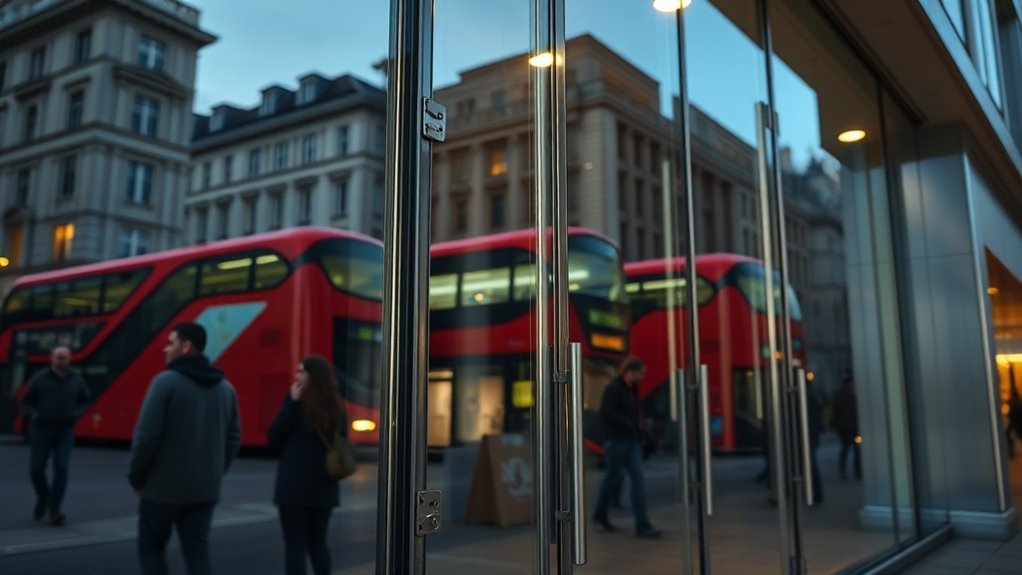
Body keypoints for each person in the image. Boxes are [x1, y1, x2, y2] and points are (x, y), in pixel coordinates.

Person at [128, 322, 241, 575]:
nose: (165, 349)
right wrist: (213, 472)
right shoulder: (226, 388)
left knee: (152, 549)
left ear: (186, 346)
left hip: (161, 491)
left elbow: (146, 437)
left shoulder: (165, 382)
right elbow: (234, 439)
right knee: (197, 553)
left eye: (171, 343)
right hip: (205, 490)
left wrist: (137, 478)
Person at [268, 355, 347, 575]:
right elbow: (342, 441)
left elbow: (274, 436)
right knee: (318, 544)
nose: (296, 375)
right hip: (324, 487)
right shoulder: (336, 405)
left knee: (295, 547)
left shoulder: (296, 401)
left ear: (312, 376)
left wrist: (292, 404)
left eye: (300, 371)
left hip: (293, 488)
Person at [19, 346, 91, 526]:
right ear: (52, 359)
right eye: (59, 358)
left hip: (65, 430)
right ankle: (43, 495)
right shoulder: (39, 378)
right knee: (36, 469)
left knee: (61, 467)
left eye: (65, 358)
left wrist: (76, 415)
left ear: (69, 359)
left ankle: (55, 511)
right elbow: (25, 403)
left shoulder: (77, 380)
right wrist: (34, 415)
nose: (62, 361)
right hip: (42, 429)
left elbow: (86, 401)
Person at [592, 357, 662, 538]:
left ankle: (642, 523)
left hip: (631, 441)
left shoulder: (632, 390)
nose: (642, 377)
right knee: (611, 479)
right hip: (617, 441)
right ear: (630, 372)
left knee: (637, 479)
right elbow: (606, 412)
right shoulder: (614, 389)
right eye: (640, 373)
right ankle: (600, 516)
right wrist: (628, 424)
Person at [831, 376, 861, 480]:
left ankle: (856, 471)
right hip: (846, 428)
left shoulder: (849, 396)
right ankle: (847, 471)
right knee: (848, 449)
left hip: (850, 428)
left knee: (854, 449)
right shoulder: (846, 397)